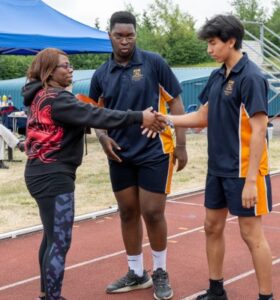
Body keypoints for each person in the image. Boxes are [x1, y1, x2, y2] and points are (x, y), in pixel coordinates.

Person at [21, 47, 164, 300]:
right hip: (53, 176)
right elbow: (97, 114)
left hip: (39, 173)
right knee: (60, 241)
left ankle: (46, 295)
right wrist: (138, 116)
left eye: (70, 65)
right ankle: (52, 297)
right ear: (49, 71)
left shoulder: (40, 96)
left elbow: (82, 117)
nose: (70, 69)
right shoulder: (57, 99)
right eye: (65, 66)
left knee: (51, 237)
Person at [161, 14, 274, 300]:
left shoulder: (251, 77)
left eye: (213, 43)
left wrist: (250, 181)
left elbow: (259, 130)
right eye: (208, 44)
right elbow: (202, 116)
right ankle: (216, 290)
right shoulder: (217, 75)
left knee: (251, 235)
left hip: (245, 171)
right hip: (218, 169)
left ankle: (266, 296)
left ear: (231, 41)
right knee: (211, 226)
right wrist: (166, 120)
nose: (209, 49)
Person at [89, 11, 187, 300]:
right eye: (119, 35)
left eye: (129, 35)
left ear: (136, 35)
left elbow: (177, 101)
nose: (124, 41)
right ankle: (136, 272)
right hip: (119, 154)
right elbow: (94, 112)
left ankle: (159, 271)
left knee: (153, 212)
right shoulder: (101, 74)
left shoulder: (153, 62)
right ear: (109, 35)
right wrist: (102, 136)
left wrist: (181, 145)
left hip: (154, 151)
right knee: (127, 212)